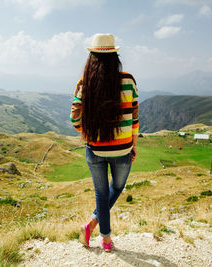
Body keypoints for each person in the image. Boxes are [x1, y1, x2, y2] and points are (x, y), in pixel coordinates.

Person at [70, 33, 139, 252]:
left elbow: (74, 118)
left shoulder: (85, 83)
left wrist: (89, 133)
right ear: (115, 56)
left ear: (91, 57)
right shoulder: (128, 81)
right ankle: (95, 229)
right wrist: (133, 144)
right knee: (116, 187)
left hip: (95, 150)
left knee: (101, 193)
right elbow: (134, 118)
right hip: (123, 149)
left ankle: (104, 239)